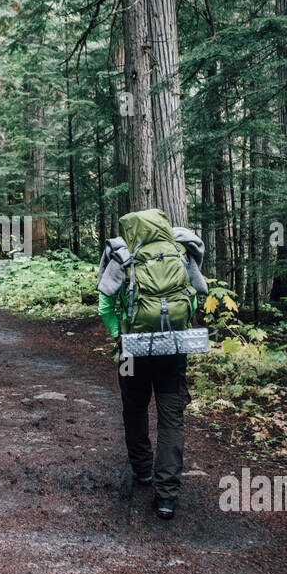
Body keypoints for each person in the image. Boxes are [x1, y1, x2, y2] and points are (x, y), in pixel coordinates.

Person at [96, 209, 206, 521]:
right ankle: (166, 497)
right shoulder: (180, 251)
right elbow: (195, 297)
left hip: (132, 354)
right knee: (172, 419)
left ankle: (143, 470)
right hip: (174, 350)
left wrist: (119, 334)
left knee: (134, 408)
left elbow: (105, 304)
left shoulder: (123, 255)